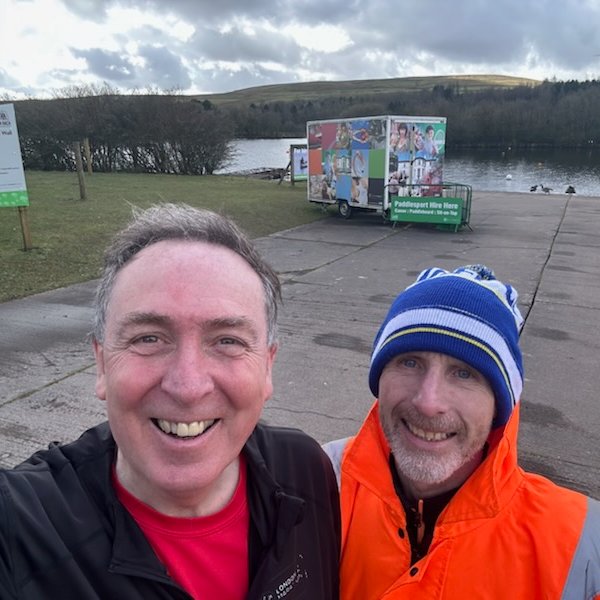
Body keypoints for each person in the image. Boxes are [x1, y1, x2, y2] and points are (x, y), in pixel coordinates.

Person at [0, 203, 340, 599]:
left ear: (267, 367)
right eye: (149, 338)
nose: (188, 386)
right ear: (102, 364)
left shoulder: (304, 468)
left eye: (227, 341)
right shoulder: (21, 524)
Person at [324, 265, 600, 599]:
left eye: (464, 373)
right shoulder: (316, 480)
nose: (428, 402)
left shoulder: (582, 545)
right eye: (410, 362)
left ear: (500, 404)